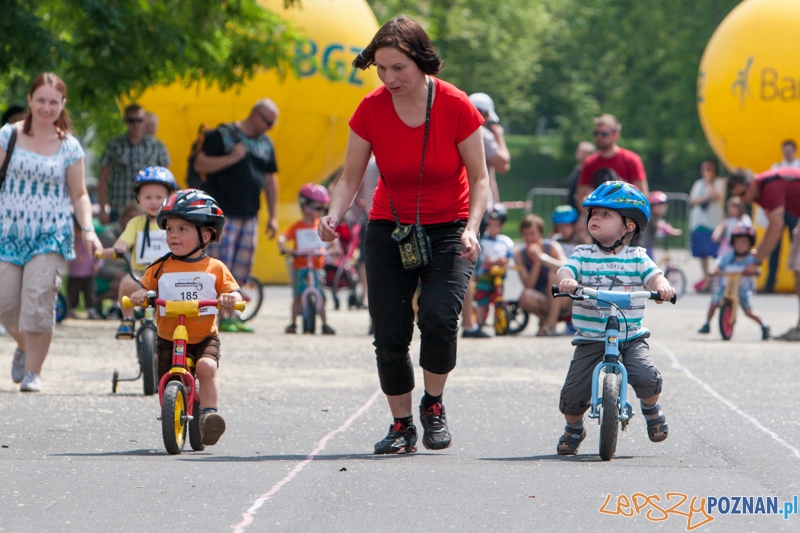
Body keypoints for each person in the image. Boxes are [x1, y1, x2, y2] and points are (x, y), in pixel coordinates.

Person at [317, 15, 489, 455]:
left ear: (421, 62)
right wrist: (333, 216)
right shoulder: (370, 109)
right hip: (390, 227)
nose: (389, 78)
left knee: (437, 316)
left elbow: (481, 178)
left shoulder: (456, 105)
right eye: (381, 68)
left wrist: (472, 228)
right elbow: (349, 178)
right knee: (390, 332)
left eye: (399, 68)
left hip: (450, 226)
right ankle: (401, 425)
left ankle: (433, 404)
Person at [0, 72, 102, 392]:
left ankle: (33, 373)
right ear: (30, 100)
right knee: (5, 304)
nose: (46, 107)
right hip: (8, 232)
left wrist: (87, 228)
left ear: (62, 104)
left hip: (51, 234)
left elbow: (79, 194)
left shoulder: (69, 146)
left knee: (38, 300)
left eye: (53, 102)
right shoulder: (8, 135)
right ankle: (25, 346)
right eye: (40, 100)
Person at [555, 181, 674, 455]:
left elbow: (654, 276)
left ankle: (651, 409)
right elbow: (566, 270)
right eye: (593, 213)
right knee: (573, 393)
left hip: (630, 334)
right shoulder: (583, 253)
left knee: (645, 376)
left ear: (628, 226)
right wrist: (568, 281)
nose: (595, 218)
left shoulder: (637, 256)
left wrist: (662, 286)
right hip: (591, 337)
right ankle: (574, 427)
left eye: (605, 214)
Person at [130, 189, 241, 446]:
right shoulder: (161, 266)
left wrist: (230, 299)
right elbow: (144, 287)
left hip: (203, 336)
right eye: (169, 229)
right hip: (168, 336)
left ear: (205, 235)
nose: (173, 235)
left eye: (182, 229)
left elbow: (234, 292)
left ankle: (209, 416)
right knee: (167, 376)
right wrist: (140, 295)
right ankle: (173, 408)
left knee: (206, 367)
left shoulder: (215, 268)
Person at [193, 99, 280, 333]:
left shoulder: (266, 143)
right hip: (222, 214)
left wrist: (273, 215)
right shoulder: (223, 135)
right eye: (268, 122)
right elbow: (200, 162)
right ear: (255, 115)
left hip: (249, 215)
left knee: (241, 267)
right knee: (221, 265)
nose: (271, 127)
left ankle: (231, 316)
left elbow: (270, 179)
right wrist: (231, 158)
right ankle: (215, 316)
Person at [100, 166, 176, 339]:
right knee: (126, 283)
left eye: (159, 197)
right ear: (138, 199)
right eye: (148, 197)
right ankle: (127, 320)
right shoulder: (136, 222)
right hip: (141, 274)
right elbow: (124, 241)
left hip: (169, 275)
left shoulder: (173, 222)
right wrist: (115, 250)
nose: (153, 202)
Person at [728, 166, 800, 340]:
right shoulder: (757, 193)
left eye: (743, 194)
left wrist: (756, 261)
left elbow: (776, 228)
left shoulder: (771, 187)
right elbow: (771, 230)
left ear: (751, 184)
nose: (742, 200)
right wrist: (754, 256)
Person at [97, 104, 171, 224]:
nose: (136, 124)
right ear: (125, 121)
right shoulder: (114, 146)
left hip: (149, 209)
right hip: (120, 209)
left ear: (144, 121)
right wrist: (102, 210)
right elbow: (102, 179)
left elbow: (167, 181)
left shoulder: (157, 146)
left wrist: (167, 208)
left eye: (139, 120)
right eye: (132, 120)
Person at [278, 183, 336, 335]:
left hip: (317, 267)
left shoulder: (321, 226)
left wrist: (334, 249)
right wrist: (285, 247)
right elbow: (283, 238)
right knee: (298, 295)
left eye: (323, 208)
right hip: (300, 266)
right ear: (305, 206)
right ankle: (293, 323)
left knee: (320, 295)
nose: (320, 212)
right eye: (317, 208)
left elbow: (333, 241)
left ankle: (324, 323)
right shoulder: (297, 226)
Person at [698, 223, 769, 339]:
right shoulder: (728, 257)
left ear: (750, 244)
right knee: (714, 302)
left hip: (742, 289)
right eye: (738, 242)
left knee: (748, 311)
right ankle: (707, 323)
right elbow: (718, 264)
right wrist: (715, 270)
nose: (740, 246)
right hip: (725, 288)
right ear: (733, 243)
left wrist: (754, 271)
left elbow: (757, 270)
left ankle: (764, 325)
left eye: (744, 243)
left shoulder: (750, 260)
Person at [575, 114, 648, 208]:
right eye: (596, 133)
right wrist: (590, 216)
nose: (599, 137)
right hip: (596, 213)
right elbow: (581, 196)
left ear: (616, 135)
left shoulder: (632, 160)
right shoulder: (589, 162)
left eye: (604, 134)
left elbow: (642, 195)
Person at [514, 214, 570, 336]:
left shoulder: (552, 247)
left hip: (563, 299)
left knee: (554, 274)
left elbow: (566, 267)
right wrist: (537, 263)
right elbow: (528, 284)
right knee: (525, 296)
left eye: (532, 233)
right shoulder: (519, 254)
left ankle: (549, 323)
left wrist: (542, 257)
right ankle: (546, 322)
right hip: (542, 298)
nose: (529, 238)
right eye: (525, 234)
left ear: (540, 233)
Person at [468, 205, 514, 336]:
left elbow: (509, 258)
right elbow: (482, 259)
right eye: (490, 225)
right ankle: (480, 322)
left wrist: (505, 262)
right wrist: (492, 261)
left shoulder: (506, 242)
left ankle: (499, 318)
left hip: (499, 276)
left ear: (501, 226)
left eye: (496, 225)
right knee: (482, 298)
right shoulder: (482, 241)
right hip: (485, 276)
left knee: (498, 296)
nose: (493, 228)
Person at [764, 140, 800, 293]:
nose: (787, 153)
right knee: (774, 246)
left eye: (790, 150)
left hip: (795, 211)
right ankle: (770, 283)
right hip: (780, 210)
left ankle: (797, 284)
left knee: (797, 248)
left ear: (795, 151)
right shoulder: (777, 167)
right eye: (785, 150)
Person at [689, 160, 725, 292]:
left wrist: (709, 183)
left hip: (713, 223)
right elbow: (693, 199)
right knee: (702, 254)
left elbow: (716, 195)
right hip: (699, 222)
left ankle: (715, 279)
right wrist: (705, 198)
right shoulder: (698, 183)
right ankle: (706, 278)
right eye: (705, 169)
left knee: (715, 252)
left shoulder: (719, 182)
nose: (707, 171)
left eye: (709, 169)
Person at [67, 216, 102, 320]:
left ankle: (91, 310)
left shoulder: (91, 240)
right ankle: (71, 310)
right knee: (72, 293)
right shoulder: (71, 241)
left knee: (90, 293)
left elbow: (99, 253)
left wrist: (97, 264)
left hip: (88, 273)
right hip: (73, 273)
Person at [640, 191, 682, 261]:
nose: (664, 208)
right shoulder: (651, 216)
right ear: (653, 206)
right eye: (661, 206)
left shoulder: (657, 216)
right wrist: (673, 231)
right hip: (645, 246)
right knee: (650, 268)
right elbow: (661, 226)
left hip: (648, 246)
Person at [566, 141, 596, 210]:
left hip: (583, 210)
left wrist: (584, 213)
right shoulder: (577, 170)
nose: (580, 154)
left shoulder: (591, 172)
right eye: (579, 151)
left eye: (584, 152)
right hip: (573, 208)